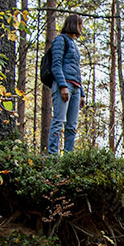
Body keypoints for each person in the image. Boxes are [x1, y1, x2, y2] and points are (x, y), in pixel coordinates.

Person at [48, 14, 85, 155]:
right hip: (63, 86)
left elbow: (76, 70)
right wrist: (62, 86)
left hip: (75, 88)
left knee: (72, 126)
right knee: (58, 121)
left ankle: (68, 159)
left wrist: (81, 93)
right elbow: (56, 65)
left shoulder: (74, 45)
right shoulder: (60, 40)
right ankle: (52, 157)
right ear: (74, 24)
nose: (81, 28)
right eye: (80, 25)